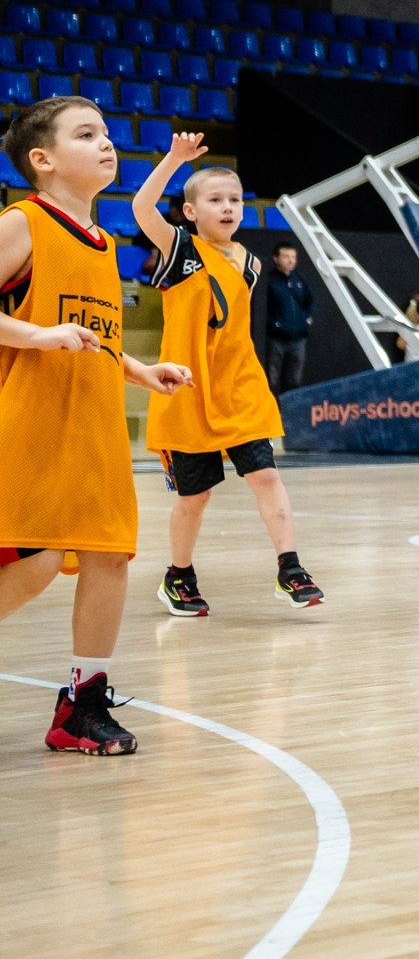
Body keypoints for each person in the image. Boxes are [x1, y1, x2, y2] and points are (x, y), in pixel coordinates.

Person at [0, 96, 194, 754]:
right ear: (43, 159)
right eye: (86, 134)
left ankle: (82, 707)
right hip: (30, 421)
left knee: (110, 557)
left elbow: (97, 338)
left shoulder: (103, 242)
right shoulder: (24, 222)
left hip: (95, 424)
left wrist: (142, 371)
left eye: (107, 133)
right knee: (36, 562)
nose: (107, 143)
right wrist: (37, 335)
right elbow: (50, 331)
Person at [128, 132, 321, 616]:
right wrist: (174, 159)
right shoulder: (180, 249)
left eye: (234, 199)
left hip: (240, 389)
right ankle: (178, 576)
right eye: (215, 200)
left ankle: (291, 568)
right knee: (195, 498)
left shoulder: (251, 262)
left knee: (267, 476)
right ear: (191, 211)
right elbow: (141, 209)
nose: (228, 207)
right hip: (187, 389)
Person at [261, 240, 313, 392]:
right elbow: (262, 308)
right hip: (276, 339)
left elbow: (309, 301)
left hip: (298, 339)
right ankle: (272, 406)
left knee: (294, 380)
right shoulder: (269, 280)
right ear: (276, 258)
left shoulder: (300, 280)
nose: (291, 260)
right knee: (271, 378)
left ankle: (290, 406)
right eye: (286, 256)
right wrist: (274, 324)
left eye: (293, 257)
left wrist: (306, 320)